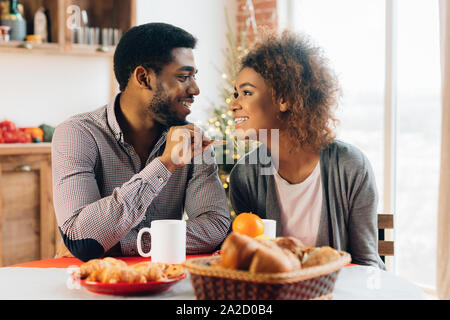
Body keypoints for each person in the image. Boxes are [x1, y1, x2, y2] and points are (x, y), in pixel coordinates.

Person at [52, 23, 230, 262]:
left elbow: (215, 226)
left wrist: (123, 242)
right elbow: (82, 237)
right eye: (183, 77)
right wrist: (165, 164)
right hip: (95, 287)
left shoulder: (193, 140)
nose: (195, 89)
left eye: (194, 77)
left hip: (164, 282)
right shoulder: (77, 134)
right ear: (143, 77)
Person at [228, 30, 385, 269]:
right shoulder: (245, 176)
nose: (233, 104)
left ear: (284, 99)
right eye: (235, 94)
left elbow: (366, 263)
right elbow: (250, 267)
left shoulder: (350, 166)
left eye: (247, 93)